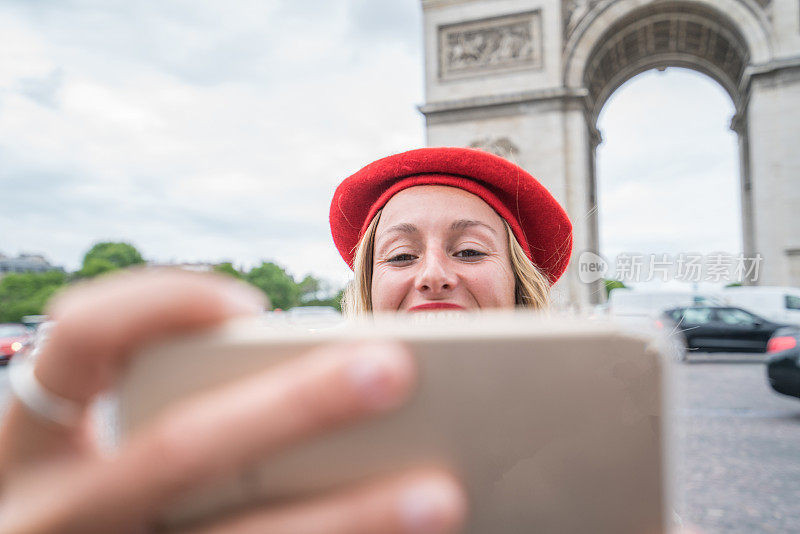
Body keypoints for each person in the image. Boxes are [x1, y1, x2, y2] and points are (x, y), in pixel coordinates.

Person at [0, 147, 571, 533]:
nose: (433, 275)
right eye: (400, 256)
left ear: (521, 286)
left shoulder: (603, 429)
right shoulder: (270, 451)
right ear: (366, 293)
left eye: (468, 251)